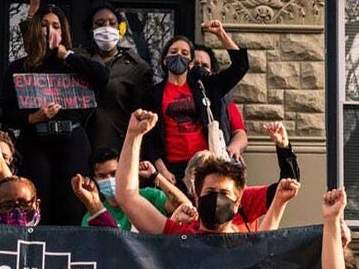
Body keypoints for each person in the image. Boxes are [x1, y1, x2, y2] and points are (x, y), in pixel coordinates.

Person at [1, 0, 108, 225]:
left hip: (72, 141)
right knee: (38, 201)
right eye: (45, 25)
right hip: (36, 141)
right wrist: (32, 118)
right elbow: (6, 113)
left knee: (72, 203)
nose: (50, 30)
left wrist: (66, 55)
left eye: (56, 25)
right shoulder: (21, 67)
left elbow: (102, 76)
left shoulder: (73, 62)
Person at [115, 110, 295, 234]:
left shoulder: (245, 242)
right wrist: (134, 135)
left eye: (224, 193)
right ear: (196, 197)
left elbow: (265, 248)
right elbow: (127, 196)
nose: (217, 199)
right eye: (210, 192)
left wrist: (279, 203)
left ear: (238, 201)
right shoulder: (180, 235)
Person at [142, 23, 249, 184]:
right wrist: (162, 170)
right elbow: (149, 137)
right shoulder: (153, 94)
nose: (179, 56)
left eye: (184, 53)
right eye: (173, 52)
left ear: (191, 63)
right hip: (172, 168)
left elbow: (240, 66)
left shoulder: (205, 87)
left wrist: (221, 34)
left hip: (204, 164)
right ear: (165, 60)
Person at [83, 5, 152, 158]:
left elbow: (142, 112)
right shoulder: (80, 59)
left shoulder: (137, 67)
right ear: (91, 30)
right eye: (99, 24)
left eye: (112, 23)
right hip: (83, 146)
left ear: (120, 28)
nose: (106, 28)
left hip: (119, 148)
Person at [72, 148, 168, 230]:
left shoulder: (151, 196)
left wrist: (155, 175)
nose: (109, 180)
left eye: (114, 173)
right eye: (102, 176)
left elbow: (180, 205)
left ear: (124, 171)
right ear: (95, 180)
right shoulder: (92, 216)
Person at [192, 43, 247, 164]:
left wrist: (234, 147)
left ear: (211, 72)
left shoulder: (223, 100)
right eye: (195, 64)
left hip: (215, 162)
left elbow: (240, 132)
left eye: (205, 65)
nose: (199, 68)